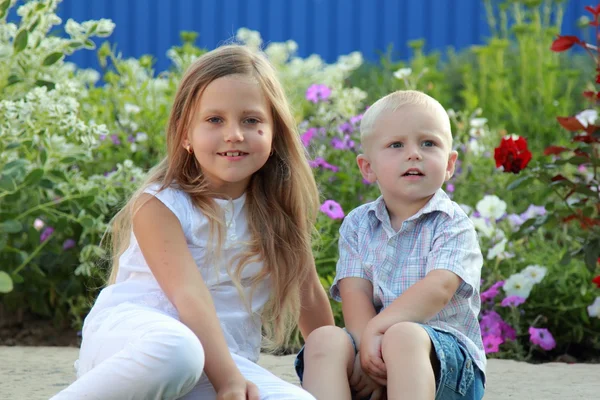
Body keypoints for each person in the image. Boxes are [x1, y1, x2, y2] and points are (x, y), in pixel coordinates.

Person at [52, 44, 334, 400]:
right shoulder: (161, 204)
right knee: (179, 350)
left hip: (219, 361)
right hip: (140, 347)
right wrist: (230, 382)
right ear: (186, 134)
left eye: (251, 120)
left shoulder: (277, 212)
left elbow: (308, 294)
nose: (234, 134)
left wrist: (344, 362)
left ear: (274, 132)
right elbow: (190, 297)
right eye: (215, 120)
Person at [296, 90, 486, 400]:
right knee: (324, 340)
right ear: (367, 167)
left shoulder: (452, 222)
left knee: (403, 335)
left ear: (450, 163)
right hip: (377, 352)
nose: (414, 154)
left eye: (429, 143)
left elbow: (438, 288)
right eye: (397, 145)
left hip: (443, 369)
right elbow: (354, 292)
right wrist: (364, 346)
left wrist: (378, 332)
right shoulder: (358, 224)